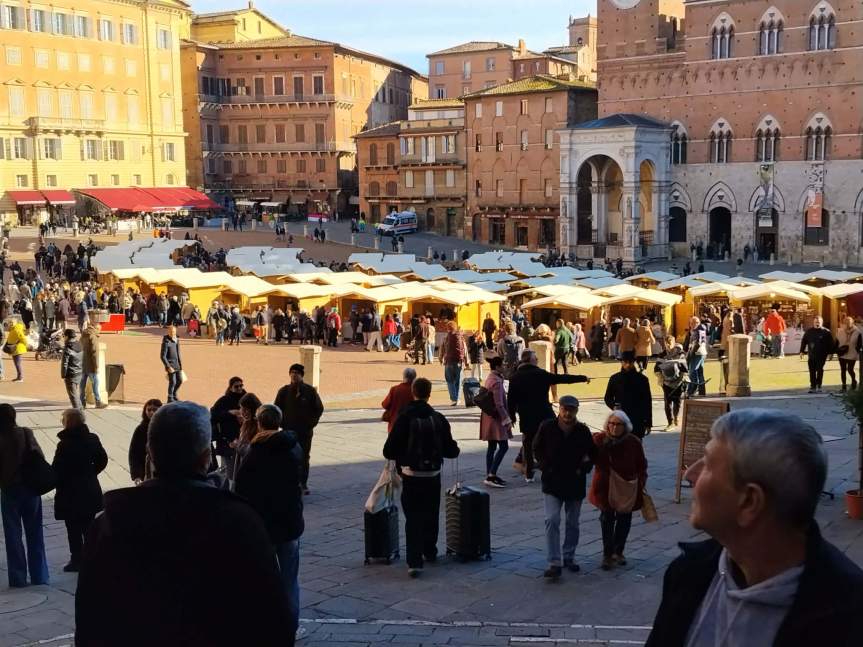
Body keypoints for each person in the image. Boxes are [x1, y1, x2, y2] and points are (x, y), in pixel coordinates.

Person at [75, 402, 292, 646]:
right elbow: (273, 618)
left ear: (150, 452)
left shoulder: (107, 527)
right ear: (205, 458)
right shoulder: (239, 523)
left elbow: (89, 618)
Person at [645, 409, 863, 647]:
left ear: (749, 501)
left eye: (707, 465)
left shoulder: (848, 616)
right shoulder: (687, 573)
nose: (690, 474)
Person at [234, 404, 304, 642]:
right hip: (289, 522)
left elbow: (241, 490)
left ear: (260, 423)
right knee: (290, 580)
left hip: (263, 525)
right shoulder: (294, 447)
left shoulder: (254, 453)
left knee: (262, 579)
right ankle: (291, 629)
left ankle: (267, 627)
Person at [383, 377, 460, 577]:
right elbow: (451, 450)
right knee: (431, 513)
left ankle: (414, 561)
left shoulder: (404, 417)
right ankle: (430, 550)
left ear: (413, 393)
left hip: (410, 475)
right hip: (433, 475)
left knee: (413, 517)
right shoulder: (438, 417)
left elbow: (388, 450)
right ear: (429, 394)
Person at [533, 395, 595, 578]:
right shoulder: (547, 427)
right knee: (551, 519)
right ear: (559, 409)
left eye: (571, 409)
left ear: (576, 410)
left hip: (574, 481)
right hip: (552, 481)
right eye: (564, 409)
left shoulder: (583, 430)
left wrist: (584, 467)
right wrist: (545, 465)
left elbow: (592, 453)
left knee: (572, 522)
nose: (567, 412)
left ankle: (569, 556)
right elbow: (536, 448)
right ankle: (554, 561)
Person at [508, 350, 590, 482]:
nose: (537, 360)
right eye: (535, 358)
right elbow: (562, 379)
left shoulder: (515, 377)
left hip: (526, 415)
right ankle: (552, 466)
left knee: (528, 444)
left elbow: (511, 400)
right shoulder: (541, 374)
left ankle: (529, 474)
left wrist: (512, 417)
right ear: (530, 360)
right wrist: (582, 378)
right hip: (544, 414)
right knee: (551, 440)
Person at [589, 410, 648, 570]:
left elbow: (642, 464)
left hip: (626, 487)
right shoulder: (599, 440)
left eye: (618, 424)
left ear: (625, 426)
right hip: (605, 488)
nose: (614, 427)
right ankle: (607, 555)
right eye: (611, 423)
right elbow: (589, 457)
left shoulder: (633, 442)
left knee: (624, 520)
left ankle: (618, 551)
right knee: (606, 519)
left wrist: (641, 481)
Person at [52, 408, 108, 572]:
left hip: (70, 492)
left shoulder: (64, 444)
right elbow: (102, 459)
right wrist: (91, 473)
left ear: (68, 422)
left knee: (73, 528)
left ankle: (77, 559)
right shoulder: (92, 439)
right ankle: (94, 556)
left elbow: (58, 469)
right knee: (89, 525)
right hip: (89, 488)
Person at [0, 403, 49, 587]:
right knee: (35, 532)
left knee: (12, 535)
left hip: (9, 490)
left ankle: (18, 577)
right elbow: (39, 456)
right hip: (30, 488)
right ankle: (39, 575)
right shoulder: (25, 433)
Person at [274, 364, 324, 494]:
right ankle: (290, 482)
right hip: (288, 430)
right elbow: (276, 409)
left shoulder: (310, 391)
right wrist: (282, 424)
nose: (294, 375)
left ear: (302, 375)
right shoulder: (284, 391)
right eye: (292, 372)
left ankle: (303, 483)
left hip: (305, 432)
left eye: (297, 373)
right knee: (288, 456)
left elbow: (318, 408)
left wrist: (311, 423)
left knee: (303, 457)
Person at [480, 356, 513, 488]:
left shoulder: (490, 378)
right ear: (498, 367)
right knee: (503, 446)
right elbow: (499, 404)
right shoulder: (497, 382)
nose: (504, 367)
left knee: (492, 447)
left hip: (488, 417)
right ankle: (492, 474)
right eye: (503, 365)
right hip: (496, 419)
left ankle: (489, 474)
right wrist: (507, 419)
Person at [604, 351, 652, 439]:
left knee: (636, 446)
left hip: (637, 419)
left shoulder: (642, 379)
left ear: (634, 362)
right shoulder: (615, 378)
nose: (628, 364)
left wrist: (648, 423)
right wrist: (614, 406)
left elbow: (647, 401)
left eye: (630, 362)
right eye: (625, 362)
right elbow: (607, 397)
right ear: (621, 362)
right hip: (620, 417)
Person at [210, 377, 246, 476]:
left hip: (244, 441)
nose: (239, 388)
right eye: (236, 386)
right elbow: (213, 415)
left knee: (243, 471)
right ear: (230, 388)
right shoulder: (224, 400)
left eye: (241, 386)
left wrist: (244, 417)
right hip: (226, 441)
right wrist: (230, 413)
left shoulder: (247, 399)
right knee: (226, 472)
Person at [654, 336, 688, 430]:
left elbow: (685, 368)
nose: (668, 345)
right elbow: (656, 369)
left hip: (678, 382)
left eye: (670, 343)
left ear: (674, 342)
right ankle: (670, 422)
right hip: (666, 382)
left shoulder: (680, 354)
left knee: (677, 401)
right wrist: (660, 378)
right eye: (666, 343)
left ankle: (676, 418)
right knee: (667, 402)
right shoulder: (662, 355)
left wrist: (684, 377)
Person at [128, 398, 162, 484]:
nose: (151, 412)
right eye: (149, 409)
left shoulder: (166, 427)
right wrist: (137, 475)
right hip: (145, 474)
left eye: (155, 410)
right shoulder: (140, 429)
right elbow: (134, 453)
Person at [799, 316, 835, 394]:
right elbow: (804, 341)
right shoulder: (809, 331)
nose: (817, 323)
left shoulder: (826, 332)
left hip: (822, 355)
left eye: (819, 322)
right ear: (813, 322)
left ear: (821, 322)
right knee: (812, 371)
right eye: (816, 322)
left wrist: (831, 353)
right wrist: (801, 351)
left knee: (819, 370)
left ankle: (819, 385)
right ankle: (813, 386)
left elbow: (831, 343)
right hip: (811, 355)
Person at [439, 321, 470, 406]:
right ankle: (458, 399)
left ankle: (453, 399)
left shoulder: (446, 338)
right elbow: (465, 350)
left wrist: (440, 359)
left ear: (447, 328)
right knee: (458, 381)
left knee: (449, 381)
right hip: (459, 362)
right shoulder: (460, 337)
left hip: (448, 362)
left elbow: (442, 349)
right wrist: (467, 362)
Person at [80, 323, 107, 409]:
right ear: (96, 329)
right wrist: (96, 366)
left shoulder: (83, 335)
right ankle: (98, 401)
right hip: (90, 365)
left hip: (82, 363)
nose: (100, 332)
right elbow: (95, 353)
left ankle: (81, 402)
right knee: (95, 383)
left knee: (82, 384)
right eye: (100, 330)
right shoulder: (93, 337)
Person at [381, 367, 416, 434]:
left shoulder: (394, 389)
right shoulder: (415, 391)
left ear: (404, 377)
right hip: (410, 426)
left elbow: (385, 405)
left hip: (394, 425)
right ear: (414, 378)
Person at [683, 316, 708, 397]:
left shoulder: (699, 330)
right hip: (700, 353)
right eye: (692, 323)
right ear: (690, 324)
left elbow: (698, 343)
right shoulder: (696, 330)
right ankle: (701, 391)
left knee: (692, 372)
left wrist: (691, 354)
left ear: (699, 323)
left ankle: (691, 390)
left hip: (697, 353)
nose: (694, 324)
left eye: (696, 322)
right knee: (699, 372)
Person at [836, 316, 862, 391]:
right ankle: (843, 386)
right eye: (846, 323)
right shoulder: (840, 331)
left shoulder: (857, 332)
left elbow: (859, 344)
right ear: (844, 323)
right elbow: (836, 342)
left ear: (852, 323)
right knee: (843, 370)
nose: (847, 324)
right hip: (842, 354)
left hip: (852, 353)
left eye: (849, 323)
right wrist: (836, 350)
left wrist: (857, 351)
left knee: (850, 369)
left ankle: (854, 381)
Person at [60, 328, 84, 409]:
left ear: (67, 336)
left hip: (71, 374)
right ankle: (80, 408)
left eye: (64, 336)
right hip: (79, 372)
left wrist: (63, 375)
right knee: (75, 393)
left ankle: (78, 412)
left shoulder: (67, 348)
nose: (63, 338)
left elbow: (64, 363)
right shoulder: (79, 345)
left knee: (72, 395)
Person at [160, 324, 182, 402]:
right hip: (171, 365)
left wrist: (180, 364)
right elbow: (162, 356)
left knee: (180, 380)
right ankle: (170, 398)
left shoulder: (177, 340)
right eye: (171, 332)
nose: (173, 333)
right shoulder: (166, 342)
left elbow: (178, 352)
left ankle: (174, 394)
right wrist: (168, 366)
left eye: (174, 332)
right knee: (173, 382)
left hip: (178, 365)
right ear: (168, 332)